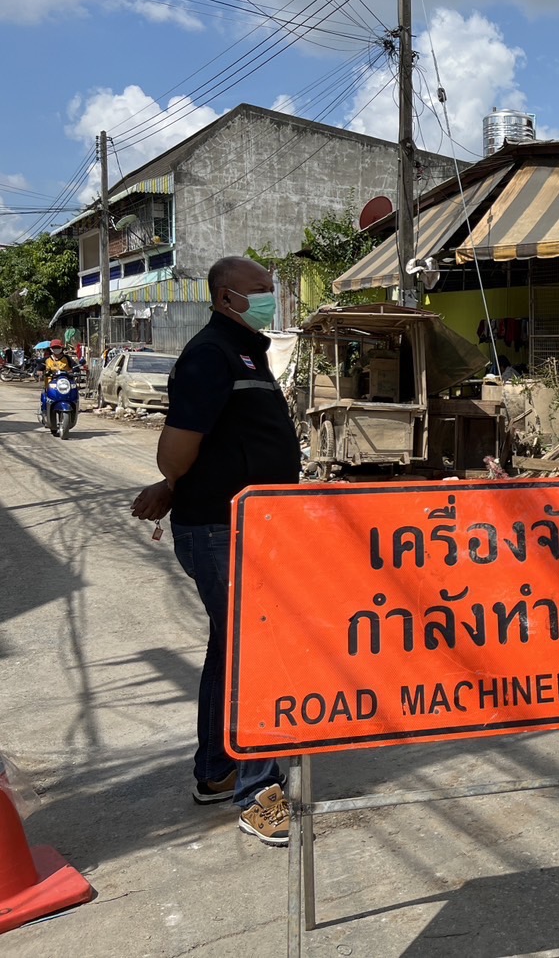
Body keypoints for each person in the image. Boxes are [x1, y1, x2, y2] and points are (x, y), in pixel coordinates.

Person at [130, 256, 299, 845]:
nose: (270, 299)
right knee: (254, 653)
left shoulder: (245, 349)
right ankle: (258, 794)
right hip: (221, 529)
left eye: (271, 290)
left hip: (249, 525)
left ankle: (217, 771)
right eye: (261, 291)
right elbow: (176, 450)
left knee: (232, 650)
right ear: (227, 296)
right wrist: (173, 482)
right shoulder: (211, 353)